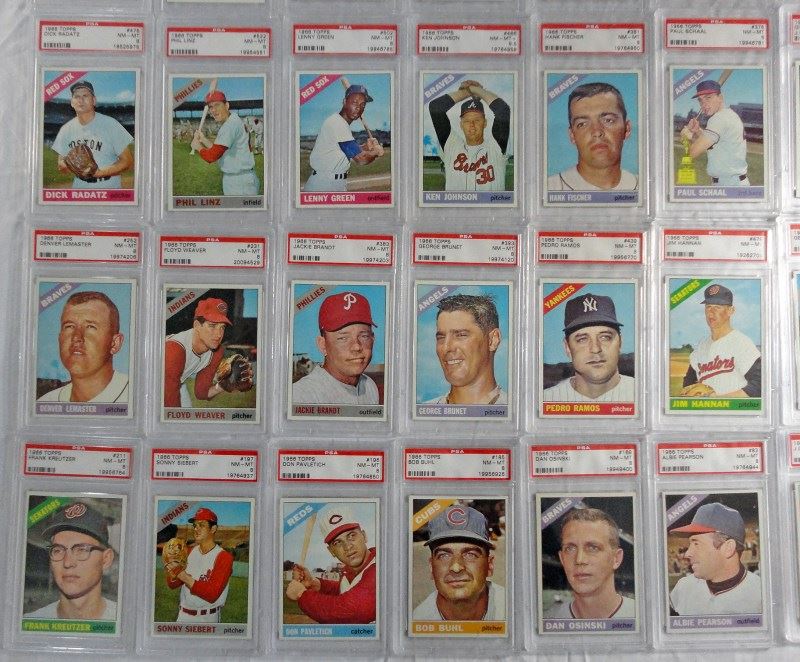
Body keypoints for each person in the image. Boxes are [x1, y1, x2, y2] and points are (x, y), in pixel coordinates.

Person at [25, 501, 117, 620]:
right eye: (58, 550)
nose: (67, 563)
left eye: (81, 550)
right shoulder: (32, 622)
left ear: (106, 559)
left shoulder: (125, 622)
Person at [412, 504, 505, 621]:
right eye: (444, 555)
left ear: (489, 565)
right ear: (431, 567)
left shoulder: (513, 611)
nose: (456, 567)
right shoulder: (417, 622)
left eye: (470, 555)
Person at [285, 506, 377, 624]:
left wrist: (301, 594)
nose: (347, 547)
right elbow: (343, 589)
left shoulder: (380, 567)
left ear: (364, 536)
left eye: (351, 535)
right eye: (337, 542)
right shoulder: (350, 571)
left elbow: (347, 610)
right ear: (331, 551)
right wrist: (315, 584)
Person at [669, 502, 762, 615]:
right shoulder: (683, 587)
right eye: (690, 544)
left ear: (728, 548)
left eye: (696, 544)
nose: (687, 554)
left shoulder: (762, 595)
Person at [38, 291, 128, 404]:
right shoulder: (46, 403)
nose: (76, 337)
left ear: (115, 343)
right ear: (59, 337)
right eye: (69, 326)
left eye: (90, 326)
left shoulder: (135, 396)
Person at [545, 507, 635, 620]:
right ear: (562, 559)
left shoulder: (644, 617)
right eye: (570, 549)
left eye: (593, 548)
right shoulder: (547, 620)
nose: (579, 560)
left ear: (616, 559)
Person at [543, 292, 634, 402]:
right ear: (567, 348)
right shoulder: (544, 400)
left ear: (620, 343)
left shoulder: (644, 395)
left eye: (605, 337)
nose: (596, 349)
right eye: (582, 339)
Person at [292, 292, 379, 405]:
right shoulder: (302, 395)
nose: (357, 346)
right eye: (343, 338)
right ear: (323, 345)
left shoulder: (369, 386)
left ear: (373, 338)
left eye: (364, 336)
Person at [548, 82, 637, 192]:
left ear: (627, 129)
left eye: (608, 120)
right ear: (572, 135)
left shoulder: (647, 188)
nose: (597, 132)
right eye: (582, 124)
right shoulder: (547, 189)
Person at [428, 80, 510, 192]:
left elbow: (503, 110)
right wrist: (467, 92)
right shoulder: (451, 145)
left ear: (485, 123)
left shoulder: (495, 147)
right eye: (467, 121)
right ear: (461, 125)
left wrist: (475, 90)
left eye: (477, 120)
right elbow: (436, 107)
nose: (472, 125)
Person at [680, 284, 761, 397]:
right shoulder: (702, 346)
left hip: (734, 408)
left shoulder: (742, 343)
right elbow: (688, 383)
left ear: (730, 311)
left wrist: (717, 400)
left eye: (717, 307)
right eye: (708, 307)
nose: (711, 312)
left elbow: (758, 387)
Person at [52, 80, 134, 190]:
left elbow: (127, 162)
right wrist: (67, 165)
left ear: (94, 100)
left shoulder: (111, 124)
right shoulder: (65, 129)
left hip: (108, 188)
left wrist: (99, 173)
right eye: (76, 96)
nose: (80, 100)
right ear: (72, 102)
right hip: (79, 189)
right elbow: (61, 165)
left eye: (85, 96)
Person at [426, 294, 506, 405]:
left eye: (461, 335)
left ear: (493, 340)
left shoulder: (517, 410)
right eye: (441, 338)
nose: (446, 347)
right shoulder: (423, 410)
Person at [304, 84, 384, 192]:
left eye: (363, 105)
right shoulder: (337, 123)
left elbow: (344, 150)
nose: (358, 108)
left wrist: (365, 147)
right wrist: (376, 152)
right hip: (324, 185)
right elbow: (361, 159)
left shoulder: (340, 123)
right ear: (345, 102)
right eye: (354, 102)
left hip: (333, 183)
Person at [164, 297, 241, 407]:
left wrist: (223, 386)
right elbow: (170, 404)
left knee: (187, 414)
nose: (219, 334)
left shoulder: (216, 351)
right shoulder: (175, 348)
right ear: (197, 326)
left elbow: (202, 393)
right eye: (212, 326)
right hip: (148, 382)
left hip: (176, 382)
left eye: (222, 327)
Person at [165, 507, 233, 623]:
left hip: (208, 618)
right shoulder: (188, 552)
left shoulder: (224, 557)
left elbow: (212, 594)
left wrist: (184, 576)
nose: (196, 529)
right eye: (195, 525)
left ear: (213, 528)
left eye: (201, 525)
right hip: (183, 616)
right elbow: (172, 584)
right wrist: (171, 570)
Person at [679, 79, 748, 186]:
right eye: (700, 100)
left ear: (720, 98)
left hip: (728, 184)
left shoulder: (718, 119)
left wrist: (685, 138)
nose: (704, 104)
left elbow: (691, 154)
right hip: (734, 182)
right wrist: (697, 131)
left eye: (708, 98)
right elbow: (714, 144)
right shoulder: (729, 115)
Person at [190, 90, 260, 196]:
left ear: (227, 105)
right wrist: (203, 139)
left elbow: (212, 156)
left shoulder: (230, 125)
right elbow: (221, 151)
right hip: (242, 179)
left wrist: (198, 146)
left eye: (217, 105)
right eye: (211, 107)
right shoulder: (233, 120)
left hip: (239, 182)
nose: (213, 110)